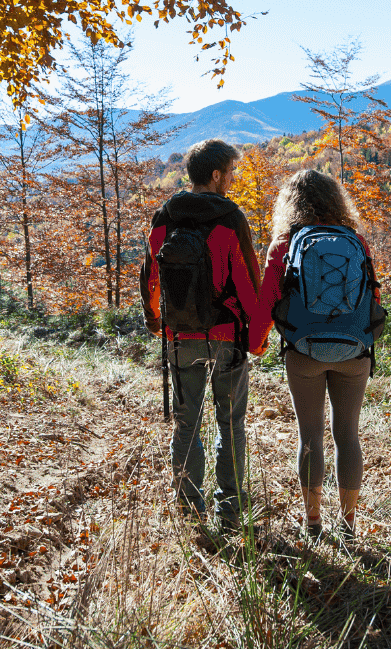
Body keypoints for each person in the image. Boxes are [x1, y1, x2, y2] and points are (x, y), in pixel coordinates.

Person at [140, 139, 265, 533]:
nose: (232, 178)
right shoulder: (230, 218)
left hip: (181, 333)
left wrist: (155, 318)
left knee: (186, 420)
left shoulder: (165, 216)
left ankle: (189, 508)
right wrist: (257, 338)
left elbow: (150, 274)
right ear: (215, 175)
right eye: (230, 172)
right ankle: (229, 512)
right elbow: (249, 282)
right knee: (230, 422)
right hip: (227, 333)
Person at [252, 169, 383, 539]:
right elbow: (373, 299)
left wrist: (256, 345)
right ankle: (349, 523)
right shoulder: (356, 240)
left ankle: (312, 523)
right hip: (353, 352)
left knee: (309, 436)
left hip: (303, 350)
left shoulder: (284, 244)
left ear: (290, 204)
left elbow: (266, 305)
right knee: (348, 436)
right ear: (335, 200)